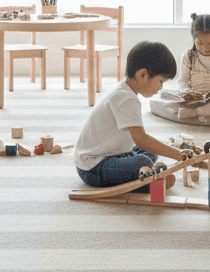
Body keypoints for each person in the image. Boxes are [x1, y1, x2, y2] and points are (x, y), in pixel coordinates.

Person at [73, 40, 196, 192]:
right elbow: (141, 138)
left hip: (111, 155)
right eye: (160, 81)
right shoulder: (126, 99)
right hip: (93, 167)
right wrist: (177, 154)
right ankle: (149, 183)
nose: (161, 87)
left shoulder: (123, 91)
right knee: (143, 161)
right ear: (142, 74)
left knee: (150, 151)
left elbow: (140, 141)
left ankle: (145, 174)